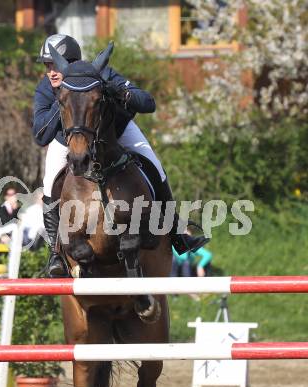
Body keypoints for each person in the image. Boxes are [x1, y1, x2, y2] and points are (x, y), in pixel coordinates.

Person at [33, 34, 209, 277]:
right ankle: (55, 252)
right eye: (47, 66)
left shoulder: (104, 74)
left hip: (117, 131)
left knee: (155, 166)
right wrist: (64, 97)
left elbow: (148, 102)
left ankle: (177, 234)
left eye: (54, 65)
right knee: (50, 181)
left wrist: (117, 91)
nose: (50, 72)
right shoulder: (46, 88)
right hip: (70, 139)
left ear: (71, 62)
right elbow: (41, 135)